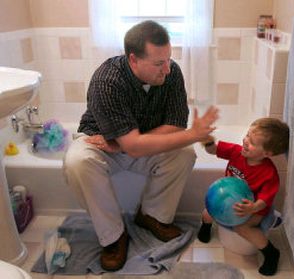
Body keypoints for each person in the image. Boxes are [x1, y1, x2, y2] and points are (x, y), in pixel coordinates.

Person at [63, 20, 219, 272]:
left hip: (122, 143)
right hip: (101, 144)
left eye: (169, 59)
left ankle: (151, 216)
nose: (167, 69)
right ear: (133, 60)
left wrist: (131, 143)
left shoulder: (172, 73)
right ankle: (113, 236)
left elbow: (175, 126)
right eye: (159, 63)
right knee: (77, 162)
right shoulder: (107, 80)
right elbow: (138, 145)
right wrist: (193, 134)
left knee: (184, 154)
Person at [197, 117, 289, 276]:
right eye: (247, 135)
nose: (245, 141)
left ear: (267, 153)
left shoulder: (269, 173)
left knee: (242, 227)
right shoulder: (236, 152)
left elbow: (264, 201)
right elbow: (213, 150)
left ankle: (271, 253)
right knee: (207, 212)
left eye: (252, 142)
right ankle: (205, 228)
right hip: (228, 200)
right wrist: (207, 140)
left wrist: (252, 207)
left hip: (253, 209)